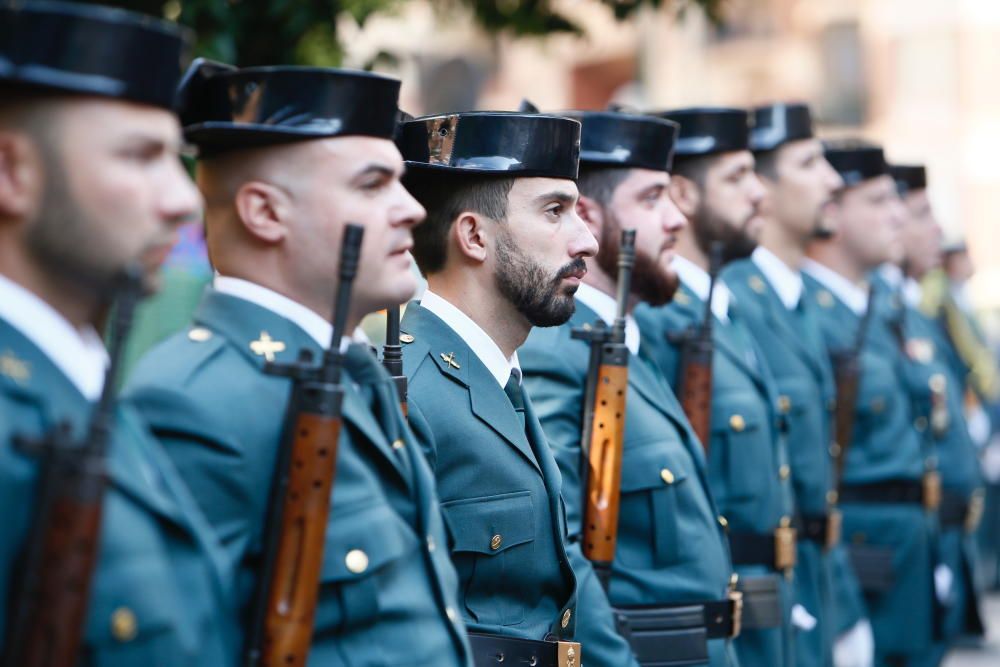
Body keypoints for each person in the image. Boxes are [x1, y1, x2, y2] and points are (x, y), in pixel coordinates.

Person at [125, 60, 472, 665]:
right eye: (371, 185)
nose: (412, 210)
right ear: (265, 213)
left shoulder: (361, 377)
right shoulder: (196, 402)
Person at [0, 2, 235, 663]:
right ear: (11, 173)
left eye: (175, 157)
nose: (184, 198)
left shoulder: (74, 384)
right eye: (140, 157)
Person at [396, 110, 633, 666]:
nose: (588, 241)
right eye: (555, 211)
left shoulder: (501, 378)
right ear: (474, 236)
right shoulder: (411, 390)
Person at [519, 109, 740, 667]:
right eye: (651, 199)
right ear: (588, 217)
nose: (676, 220)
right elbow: (561, 549)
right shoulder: (562, 353)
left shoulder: (623, 344)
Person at [634, 107, 795, 667]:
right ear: (685, 193)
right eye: (736, 177)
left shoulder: (726, 312)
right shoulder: (658, 323)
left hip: (765, 608)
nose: (760, 195)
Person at [724, 103, 874, 667]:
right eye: (809, 163)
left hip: (816, 578)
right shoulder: (734, 298)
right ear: (762, 185)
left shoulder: (800, 298)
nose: (832, 180)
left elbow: (815, 488)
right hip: (762, 595)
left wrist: (845, 607)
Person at [801, 141, 936, 667]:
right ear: (834, 213)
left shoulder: (878, 307)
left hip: (906, 544)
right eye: (878, 201)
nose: (897, 215)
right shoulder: (814, 312)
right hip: (860, 547)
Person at [882, 164, 985, 664]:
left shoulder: (915, 314)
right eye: (921, 215)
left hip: (940, 534)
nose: (936, 232)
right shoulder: (883, 315)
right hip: (895, 545)